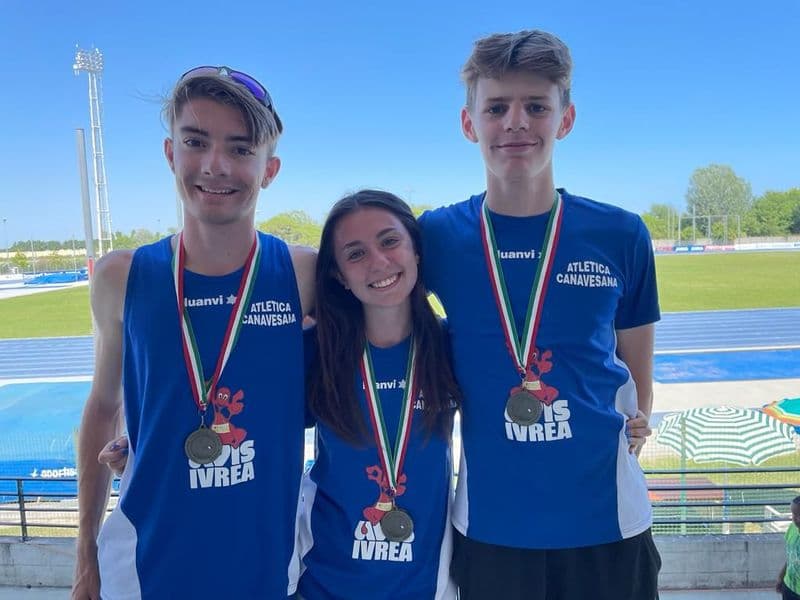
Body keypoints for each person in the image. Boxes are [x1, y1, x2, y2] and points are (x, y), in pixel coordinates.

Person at [418, 29, 661, 599]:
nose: (516, 122)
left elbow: (638, 372)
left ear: (566, 119)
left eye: (536, 106)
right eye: (497, 107)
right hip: (493, 529)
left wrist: (639, 417)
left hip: (611, 524)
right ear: (469, 123)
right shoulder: (438, 236)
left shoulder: (621, 234)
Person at [72, 66, 315, 600]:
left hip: (266, 570)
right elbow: (101, 407)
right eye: (196, 141)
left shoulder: (305, 275)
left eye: (241, 148)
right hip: (144, 569)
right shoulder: (121, 276)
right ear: (170, 153)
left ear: (269, 169)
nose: (215, 166)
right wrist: (84, 558)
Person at [294, 189, 459, 598]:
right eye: (355, 254)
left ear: (416, 250)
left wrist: (624, 419)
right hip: (324, 585)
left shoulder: (452, 347)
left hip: (423, 586)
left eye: (389, 241)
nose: (378, 262)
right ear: (339, 276)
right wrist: (137, 450)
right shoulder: (315, 351)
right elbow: (248, 419)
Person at [777, 496, 800, 599]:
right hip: (789, 587)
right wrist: (781, 577)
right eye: (794, 514)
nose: (797, 519)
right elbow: (791, 558)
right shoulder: (792, 529)